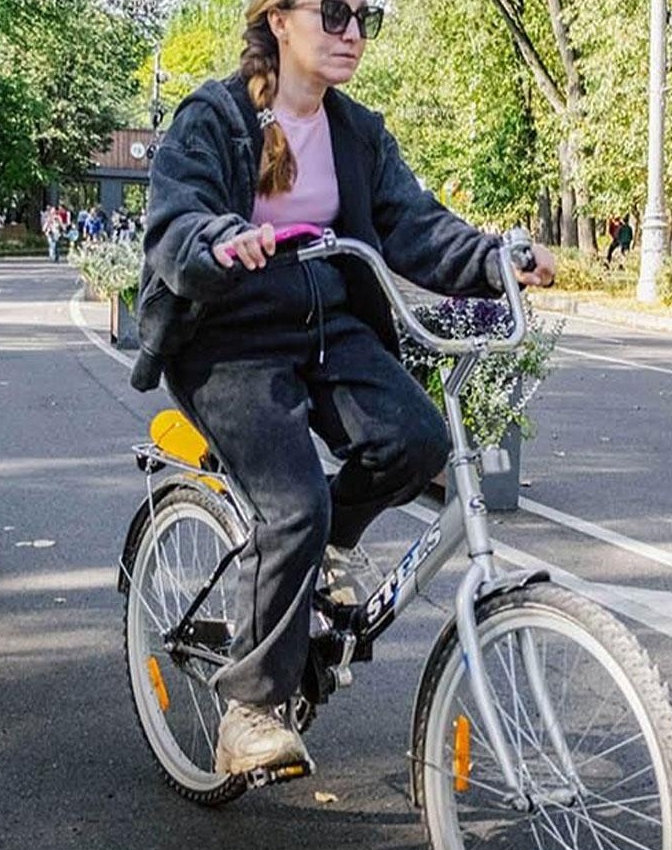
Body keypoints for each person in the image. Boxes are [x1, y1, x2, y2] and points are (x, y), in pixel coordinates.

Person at [135, 0, 556, 776]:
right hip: (229, 341)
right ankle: (250, 708)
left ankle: (326, 543)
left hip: (327, 325)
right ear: (279, 21)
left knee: (417, 441)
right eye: (334, 13)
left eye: (366, 16)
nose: (353, 33)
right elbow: (175, 222)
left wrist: (496, 260)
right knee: (293, 503)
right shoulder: (215, 118)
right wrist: (223, 241)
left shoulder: (357, 132)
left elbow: (413, 224)